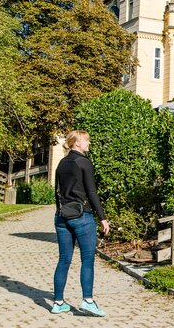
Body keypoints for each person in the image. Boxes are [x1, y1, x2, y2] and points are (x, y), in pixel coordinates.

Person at [51, 130, 110, 316]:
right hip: (82, 216)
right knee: (87, 258)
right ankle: (88, 301)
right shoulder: (84, 162)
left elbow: (57, 192)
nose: (88, 143)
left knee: (64, 260)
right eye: (86, 140)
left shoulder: (61, 163)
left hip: (62, 217)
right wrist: (102, 217)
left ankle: (58, 303)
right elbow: (91, 192)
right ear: (77, 143)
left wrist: (60, 212)